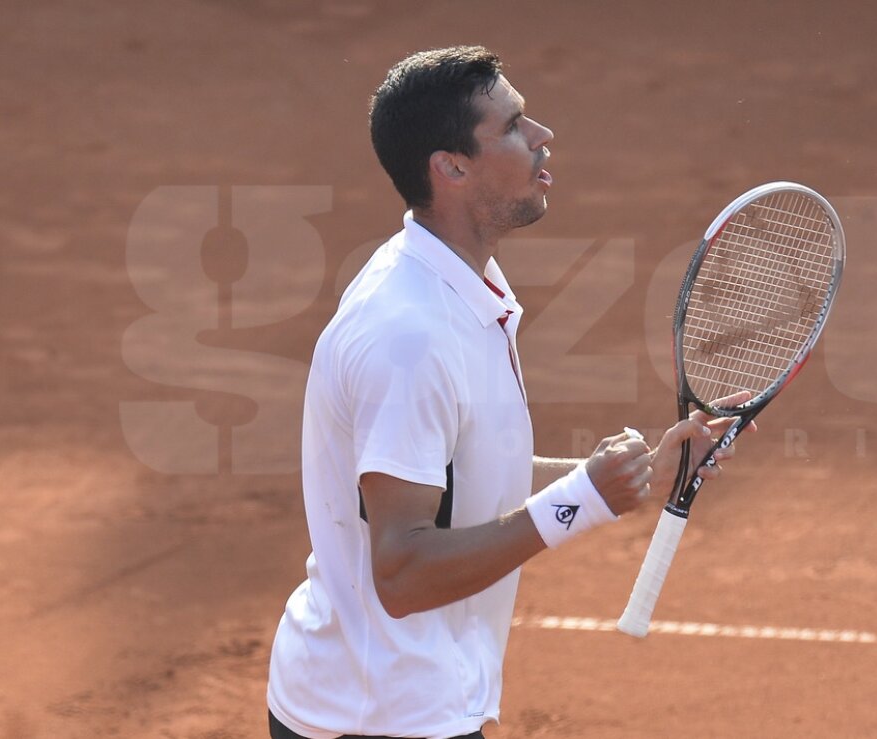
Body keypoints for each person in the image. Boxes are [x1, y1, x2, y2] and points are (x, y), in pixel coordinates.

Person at [266, 46, 741, 739]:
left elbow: (462, 475)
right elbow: (400, 572)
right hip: (373, 716)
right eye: (515, 124)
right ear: (451, 167)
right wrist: (577, 502)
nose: (543, 135)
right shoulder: (410, 335)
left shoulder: (461, 285)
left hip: (403, 695)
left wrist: (639, 471)